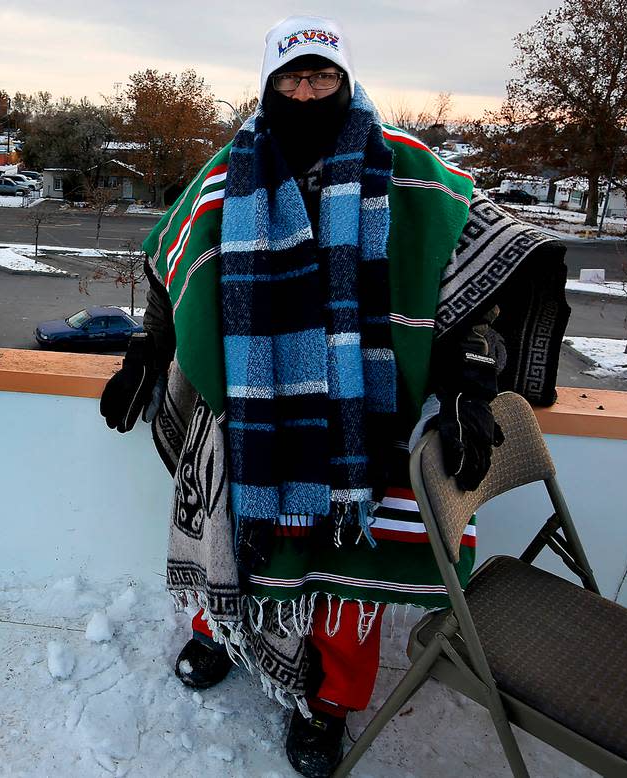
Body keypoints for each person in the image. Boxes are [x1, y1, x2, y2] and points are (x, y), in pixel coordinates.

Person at [101, 15, 569, 777]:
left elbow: (490, 274)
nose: (306, 90)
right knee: (233, 544)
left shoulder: (410, 171)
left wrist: (472, 380)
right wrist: (148, 349)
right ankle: (220, 633)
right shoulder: (225, 173)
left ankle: (327, 705)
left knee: (346, 576)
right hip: (249, 421)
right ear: (268, 85)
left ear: (346, 81)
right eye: (291, 78)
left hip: (364, 428)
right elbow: (170, 258)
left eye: (322, 77)